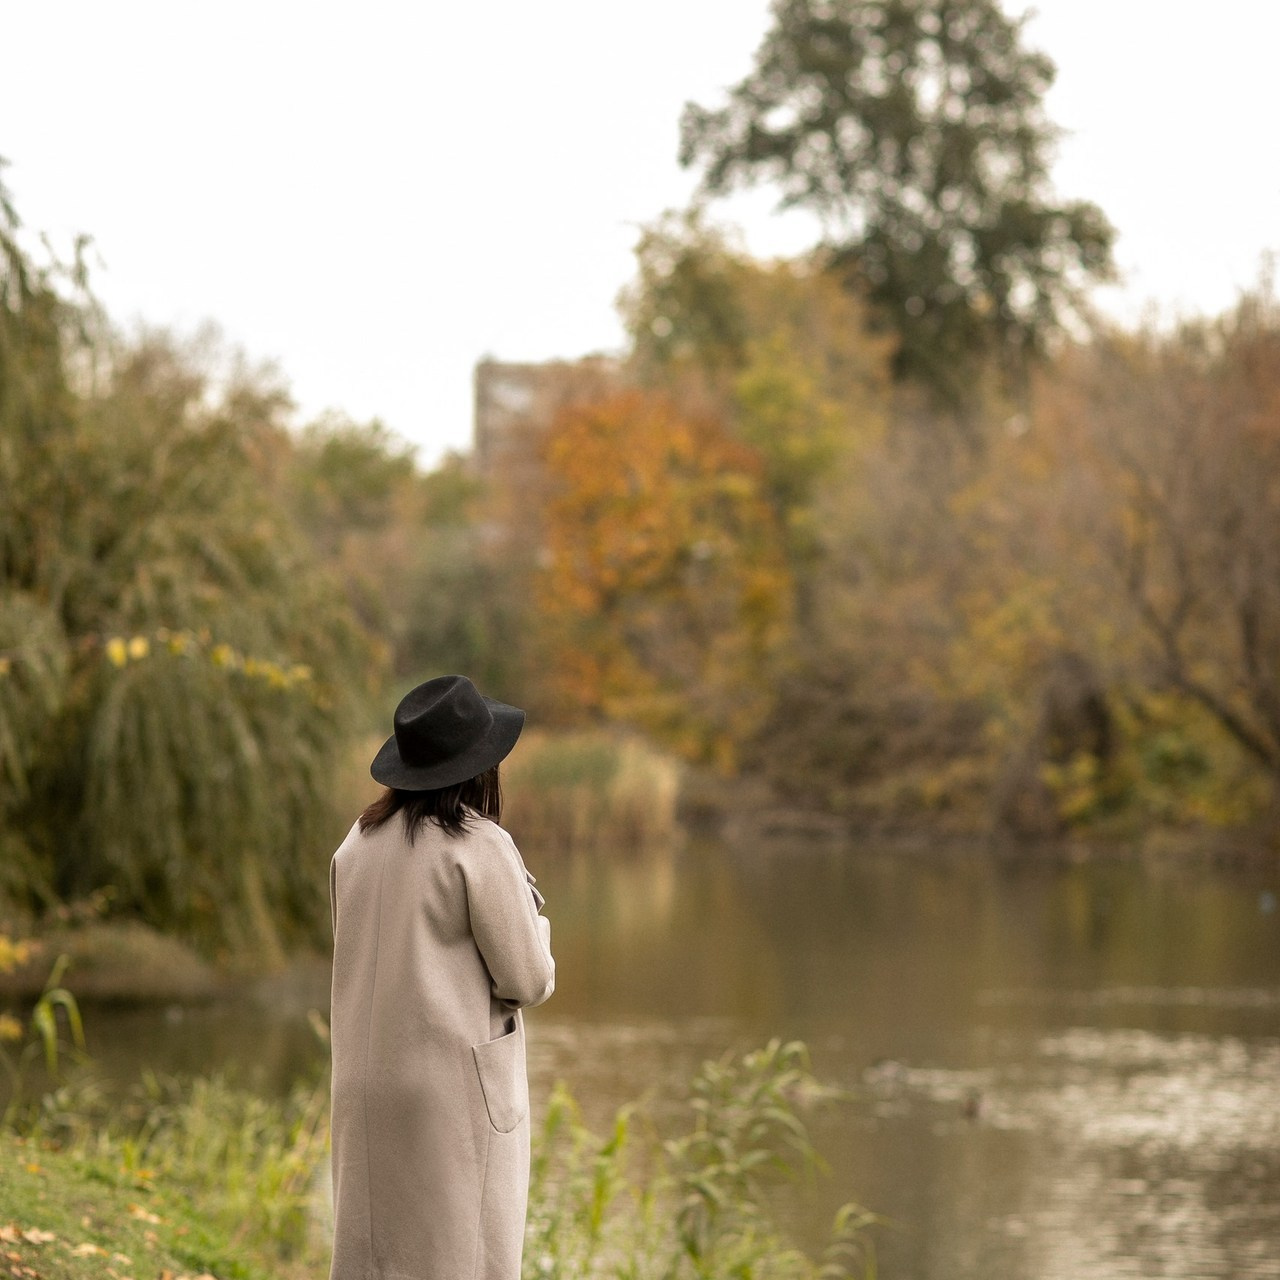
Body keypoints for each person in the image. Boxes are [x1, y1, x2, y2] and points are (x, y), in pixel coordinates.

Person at [328, 674, 555, 1280]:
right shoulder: (477, 845)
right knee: (461, 1260)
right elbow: (527, 981)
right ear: (481, 767)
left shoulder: (356, 844)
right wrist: (539, 924)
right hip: (450, 1096)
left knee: (379, 1259)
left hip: (368, 1087)